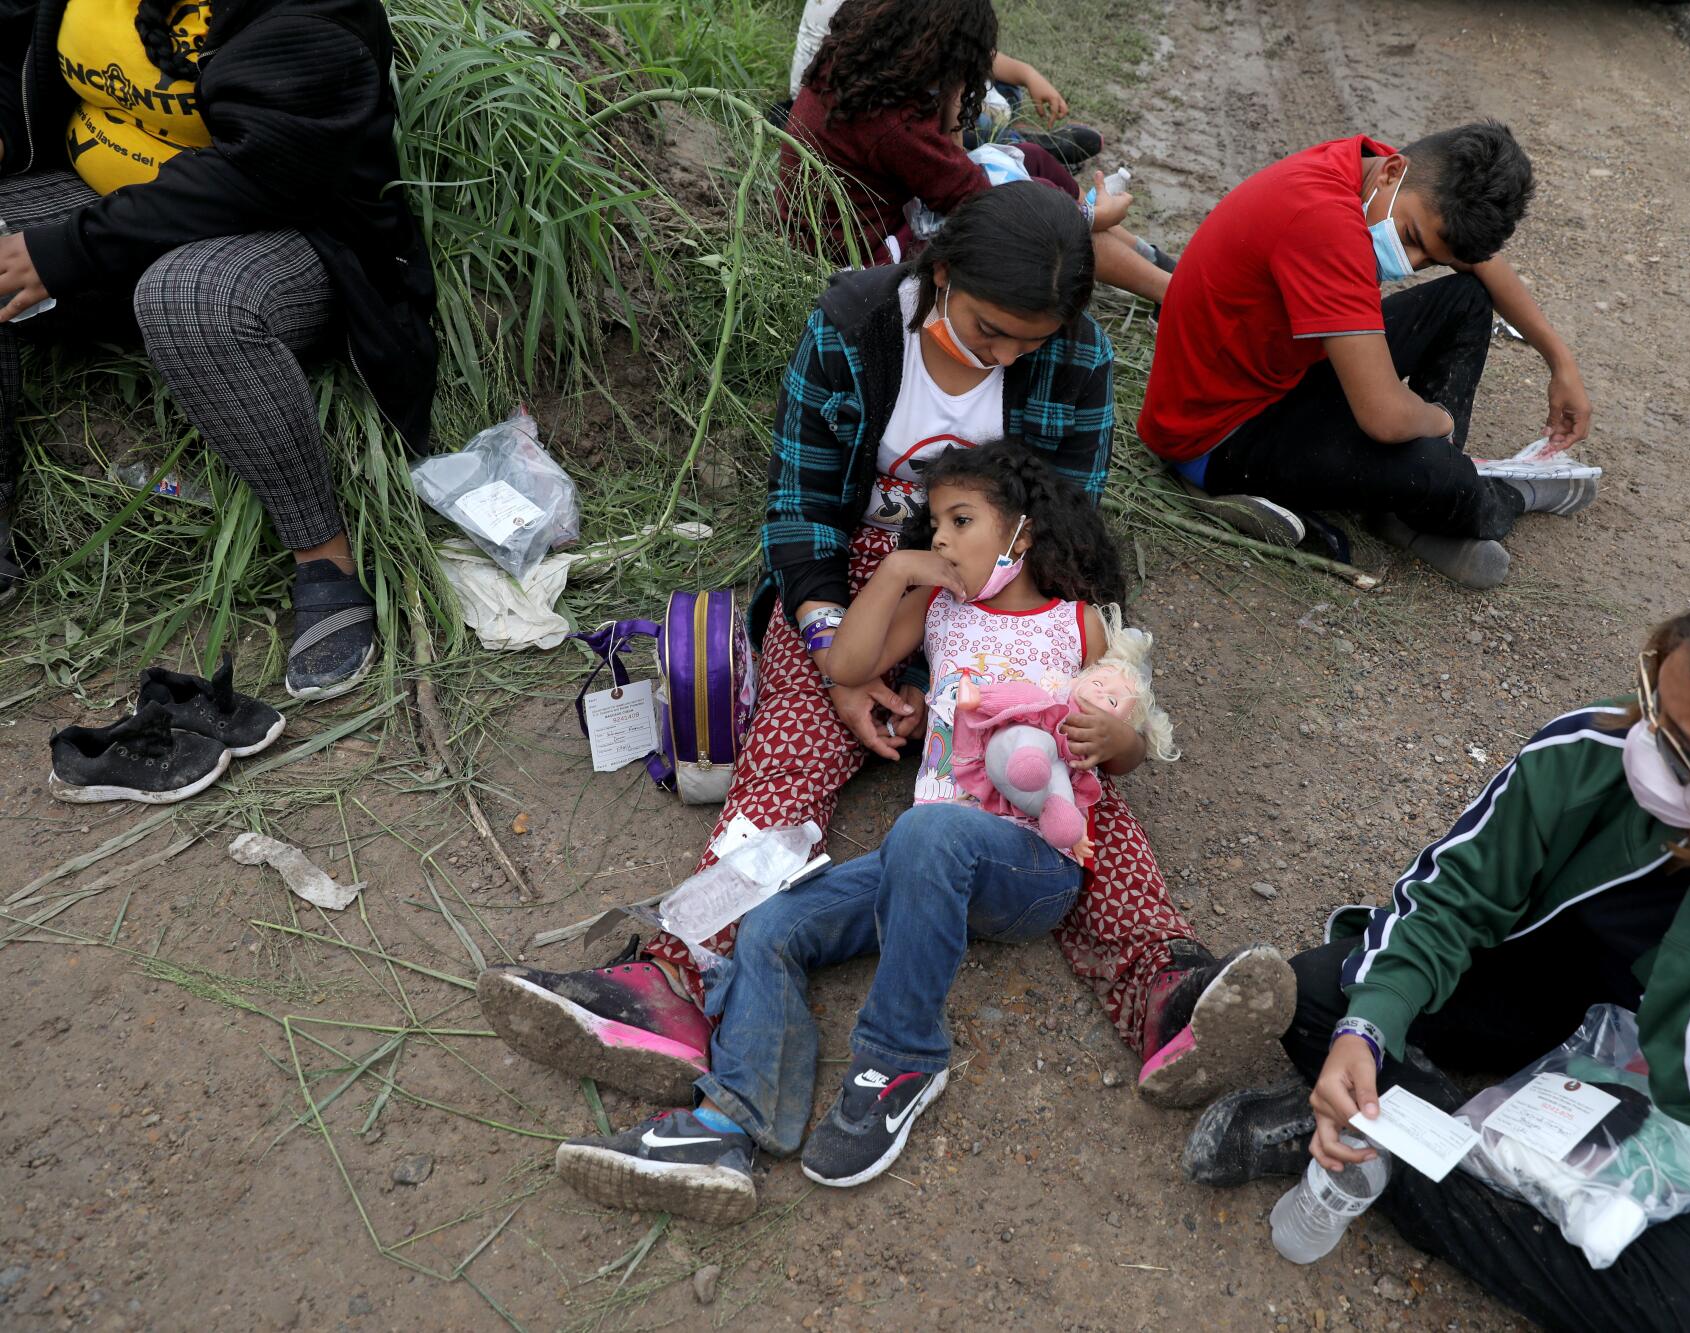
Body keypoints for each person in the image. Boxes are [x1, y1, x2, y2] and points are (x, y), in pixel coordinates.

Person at [476, 185, 1293, 1144]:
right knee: (785, 753)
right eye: (992, 332)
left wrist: (1051, 667)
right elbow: (801, 512)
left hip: (999, 593)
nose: (1007, 358)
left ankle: (1166, 988)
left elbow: (1069, 526)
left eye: (1029, 344)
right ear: (940, 274)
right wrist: (835, 658)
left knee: (1064, 778)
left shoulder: (1075, 357)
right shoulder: (857, 324)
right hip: (863, 584)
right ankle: (675, 978)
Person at [1183, 578, 1690, 1332]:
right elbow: (1449, 900)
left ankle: (1386, 1149)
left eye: (1684, 754)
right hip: (1540, 994)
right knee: (1325, 994)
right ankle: (1407, 1132)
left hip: (1676, 1105)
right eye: (1655, 700)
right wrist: (1367, 1032)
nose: (1645, 742)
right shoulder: (1592, 747)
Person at [556, 444, 1190, 1217]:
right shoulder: (942, 609)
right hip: (926, 861)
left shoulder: (1079, 625)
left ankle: (900, 1058)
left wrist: (1113, 742)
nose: (944, 540)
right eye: (935, 524)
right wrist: (897, 572)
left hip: (1031, 866)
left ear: (1021, 535)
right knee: (777, 922)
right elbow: (850, 664)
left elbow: (1131, 743)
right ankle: (727, 1124)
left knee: (927, 833)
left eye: (962, 521)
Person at [0, 0, 436, 698]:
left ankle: (325, 562)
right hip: (100, 202)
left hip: (280, 234)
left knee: (187, 300)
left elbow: (263, 173)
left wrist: (67, 250)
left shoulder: (312, 12)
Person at [1137, 123, 1594, 588]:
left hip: (1282, 371)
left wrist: (1560, 362)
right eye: (1412, 237)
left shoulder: (1373, 173)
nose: (1411, 263)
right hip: (1215, 435)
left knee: (1467, 301)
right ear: (1393, 172)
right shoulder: (1328, 225)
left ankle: (1407, 499)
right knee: (1438, 470)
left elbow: (1481, 264)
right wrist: (1440, 422)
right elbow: (1384, 418)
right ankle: (1498, 490)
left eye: (1430, 259)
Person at [778, 0, 1171, 303]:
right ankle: (1170, 293)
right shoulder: (894, 126)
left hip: (886, 218)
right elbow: (990, 202)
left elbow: (958, 155)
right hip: (866, 260)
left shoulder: (858, 68)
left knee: (1031, 160)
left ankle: (1144, 255)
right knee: (1043, 215)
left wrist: (950, 93)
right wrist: (1086, 217)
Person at [786, 0, 1101, 167]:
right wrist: (954, 128)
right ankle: (1020, 147)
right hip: (864, 98)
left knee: (1007, 90)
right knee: (983, 113)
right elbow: (963, 191)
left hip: (879, 83)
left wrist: (1027, 72)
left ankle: (1012, 144)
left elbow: (958, 43)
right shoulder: (896, 128)